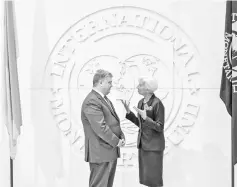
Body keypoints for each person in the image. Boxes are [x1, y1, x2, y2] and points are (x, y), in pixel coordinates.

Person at [81, 69, 125, 187]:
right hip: (100, 152)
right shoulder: (92, 100)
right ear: (100, 82)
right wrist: (117, 141)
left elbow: (113, 122)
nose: (112, 85)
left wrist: (121, 136)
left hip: (108, 150)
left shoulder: (104, 99)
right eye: (109, 82)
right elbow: (100, 127)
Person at [121, 76, 165, 187]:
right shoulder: (141, 102)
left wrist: (146, 118)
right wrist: (128, 112)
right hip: (143, 145)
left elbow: (160, 127)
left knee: (154, 179)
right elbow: (140, 124)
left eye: (140, 85)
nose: (137, 87)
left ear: (148, 89)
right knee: (145, 179)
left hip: (153, 147)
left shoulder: (157, 103)